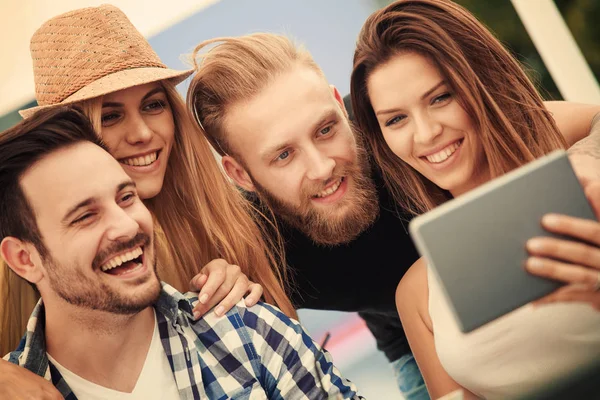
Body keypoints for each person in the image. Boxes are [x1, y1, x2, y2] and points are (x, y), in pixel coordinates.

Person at [186, 31, 600, 399]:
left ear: (338, 104)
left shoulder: (401, 128)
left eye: (326, 129)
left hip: (516, 284)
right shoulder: (249, 243)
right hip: (412, 342)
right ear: (240, 174)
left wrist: (584, 159)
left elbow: (587, 120)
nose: (322, 167)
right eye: (283, 155)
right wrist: (223, 276)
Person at [0, 5, 295, 397]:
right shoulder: (22, 246)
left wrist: (240, 292)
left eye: (153, 104)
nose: (142, 133)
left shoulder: (227, 218)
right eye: (110, 116)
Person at [1, 107, 361, 400]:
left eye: (127, 198)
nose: (127, 226)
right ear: (24, 259)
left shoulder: (247, 332)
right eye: (85, 216)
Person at [349, 0, 600, 398]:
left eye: (440, 97)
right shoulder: (416, 294)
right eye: (396, 119)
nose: (426, 133)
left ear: (482, 83)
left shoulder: (587, 188)